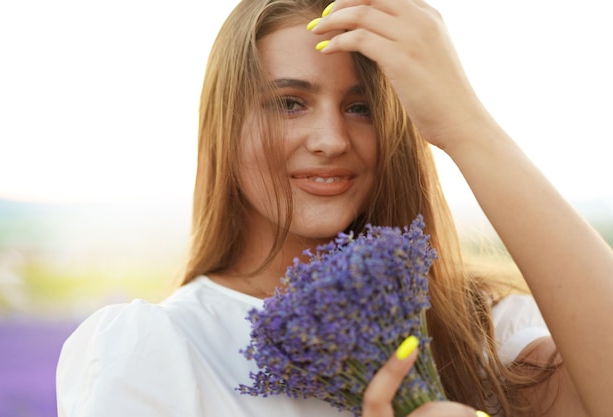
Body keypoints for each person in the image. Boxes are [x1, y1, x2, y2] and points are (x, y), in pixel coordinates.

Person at [55, 0, 613, 416]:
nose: (331, 138)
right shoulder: (160, 351)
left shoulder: (483, 327)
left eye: (361, 107)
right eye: (290, 103)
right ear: (224, 127)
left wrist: (465, 124)